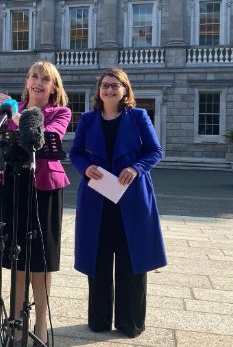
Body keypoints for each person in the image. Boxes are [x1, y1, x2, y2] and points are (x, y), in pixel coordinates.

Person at [0, 61, 71, 346]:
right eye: (34, 76)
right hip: (12, 188)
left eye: (45, 79)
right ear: (27, 80)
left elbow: (43, 138)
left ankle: (40, 328)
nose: (38, 82)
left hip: (44, 189)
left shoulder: (59, 111)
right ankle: (17, 327)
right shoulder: (9, 107)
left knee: (40, 263)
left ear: (53, 87)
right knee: (15, 259)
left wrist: (16, 112)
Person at [69, 67, 167, 337]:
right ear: (99, 91)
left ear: (125, 90)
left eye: (115, 85)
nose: (109, 90)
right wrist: (85, 168)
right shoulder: (88, 120)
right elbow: (75, 153)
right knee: (99, 262)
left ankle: (130, 322)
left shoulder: (138, 117)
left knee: (131, 262)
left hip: (131, 199)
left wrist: (136, 167)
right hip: (97, 200)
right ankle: (98, 321)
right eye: (105, 85)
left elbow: (155, 150)